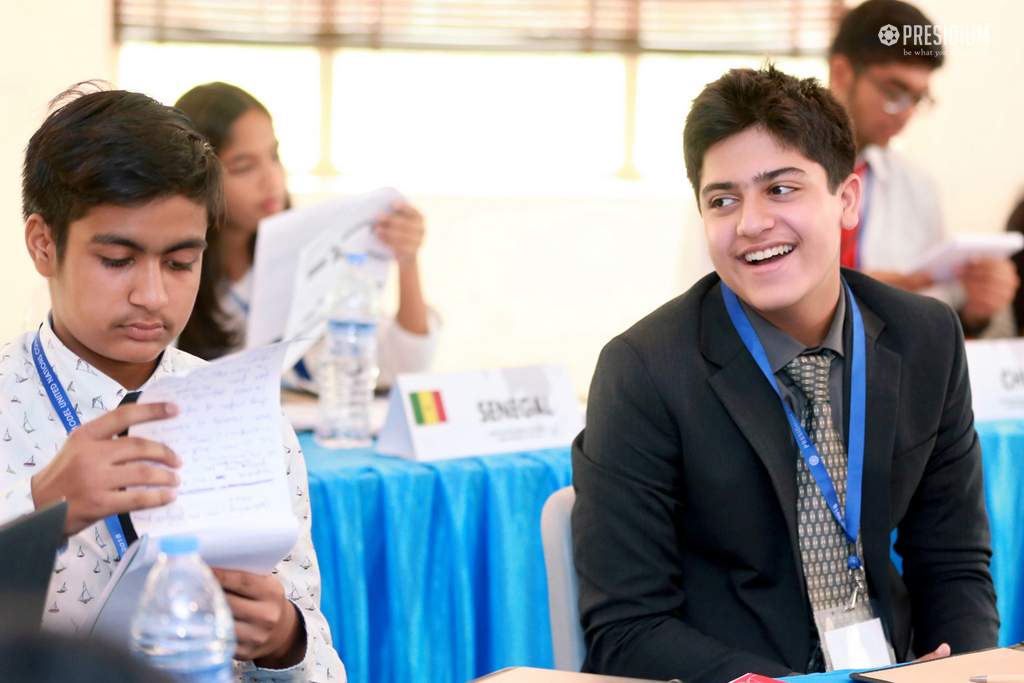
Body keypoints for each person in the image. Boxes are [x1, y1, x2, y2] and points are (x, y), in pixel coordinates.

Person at [572, 65, 998, 683]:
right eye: (722, 200)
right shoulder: (645, 370)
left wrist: (959, 670)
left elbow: (953, 564)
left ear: (846, 201)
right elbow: (626, 627)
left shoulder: (925, 338)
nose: (750, 223)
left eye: (780, 189)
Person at [0, 85, 345, 682]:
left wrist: (285, 640)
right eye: (117, 260)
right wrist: (38, 507)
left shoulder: (249, 417)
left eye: (182, 262)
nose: (153, 295)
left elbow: (321, 665)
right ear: (43, 243)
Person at [174, 82, 439, 388]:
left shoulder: (312, 262)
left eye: (274, 156)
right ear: (197, 177)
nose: (271, 180)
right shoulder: (177, 279)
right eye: (244, 167)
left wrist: (407, 260)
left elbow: (401, 367)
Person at [828, 0, 1018, 338]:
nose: (906, 113)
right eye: (894, 91)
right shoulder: (770, 171)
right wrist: (852, 291)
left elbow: (933, 312)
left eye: (917, 98)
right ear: (842, 73)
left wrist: (974, 311)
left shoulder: (917, 188)